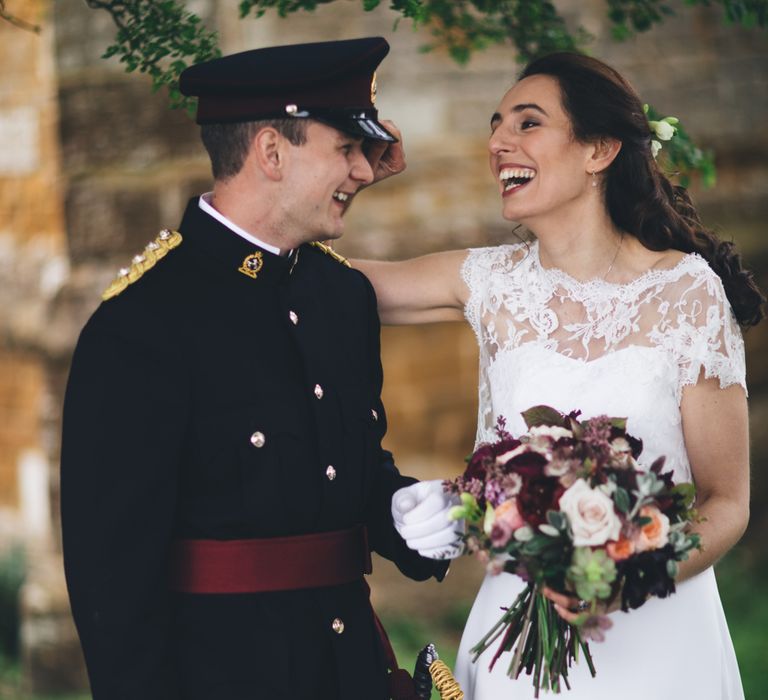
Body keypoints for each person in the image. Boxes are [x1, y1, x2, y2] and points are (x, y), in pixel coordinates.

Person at [360, 52, 763, 700]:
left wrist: (630, 572)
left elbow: (728, 502)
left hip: (659, 639)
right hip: (520, 642)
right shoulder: (490, 282)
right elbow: (328, 284)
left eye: (527, 123)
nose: (498, 142)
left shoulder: (689, 294)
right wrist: (354, 171)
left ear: (598, 149)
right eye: (496, 124)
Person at [60, 37, 450, 700]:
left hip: (349, 667)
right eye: (347, 150)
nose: (365, 171)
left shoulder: (338, 296)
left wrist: (399, 511)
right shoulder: (142, 324)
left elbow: (342, 471)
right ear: (272, 152)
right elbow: (112, 587)